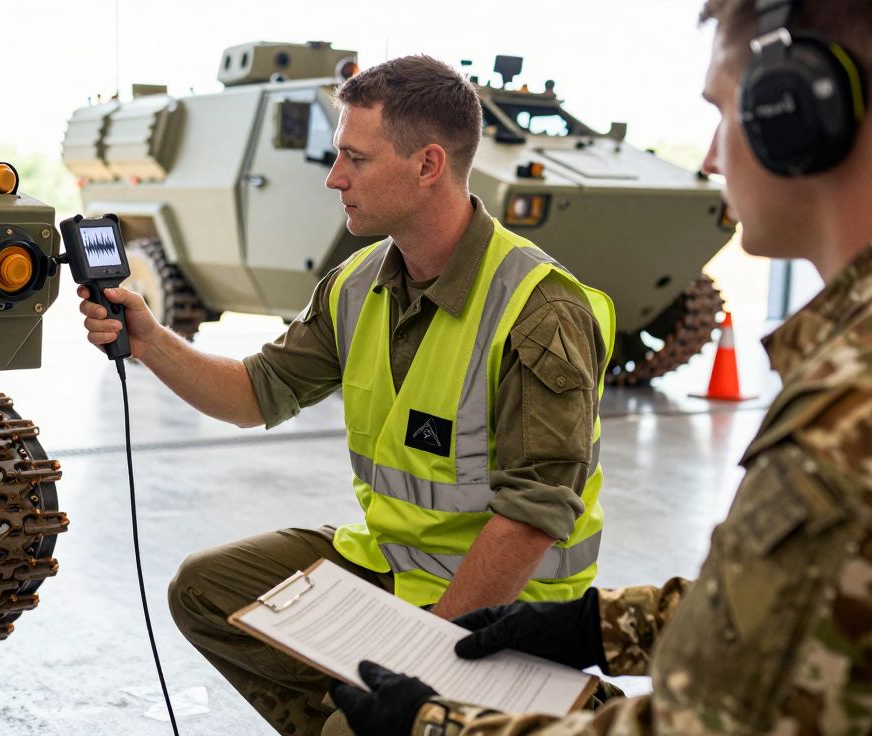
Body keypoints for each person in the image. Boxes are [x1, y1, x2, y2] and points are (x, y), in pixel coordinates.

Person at [330, 0, 872, 733]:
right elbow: (788, 604)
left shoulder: (855, 414)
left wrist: (436, 727)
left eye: (727, 110)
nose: (712, 158)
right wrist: (603, 627)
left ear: (796, 112)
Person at [78, 54, 615, 735]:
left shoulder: (540, 309)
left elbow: (531, 520)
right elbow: (255, 393)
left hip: (510, 610)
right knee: (207, 590)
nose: (334, 179)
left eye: (355, 159)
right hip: (389, 568)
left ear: (427, 166)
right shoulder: (358, 284)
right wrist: (151, 341)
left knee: (365, 723)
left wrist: (424, 667)